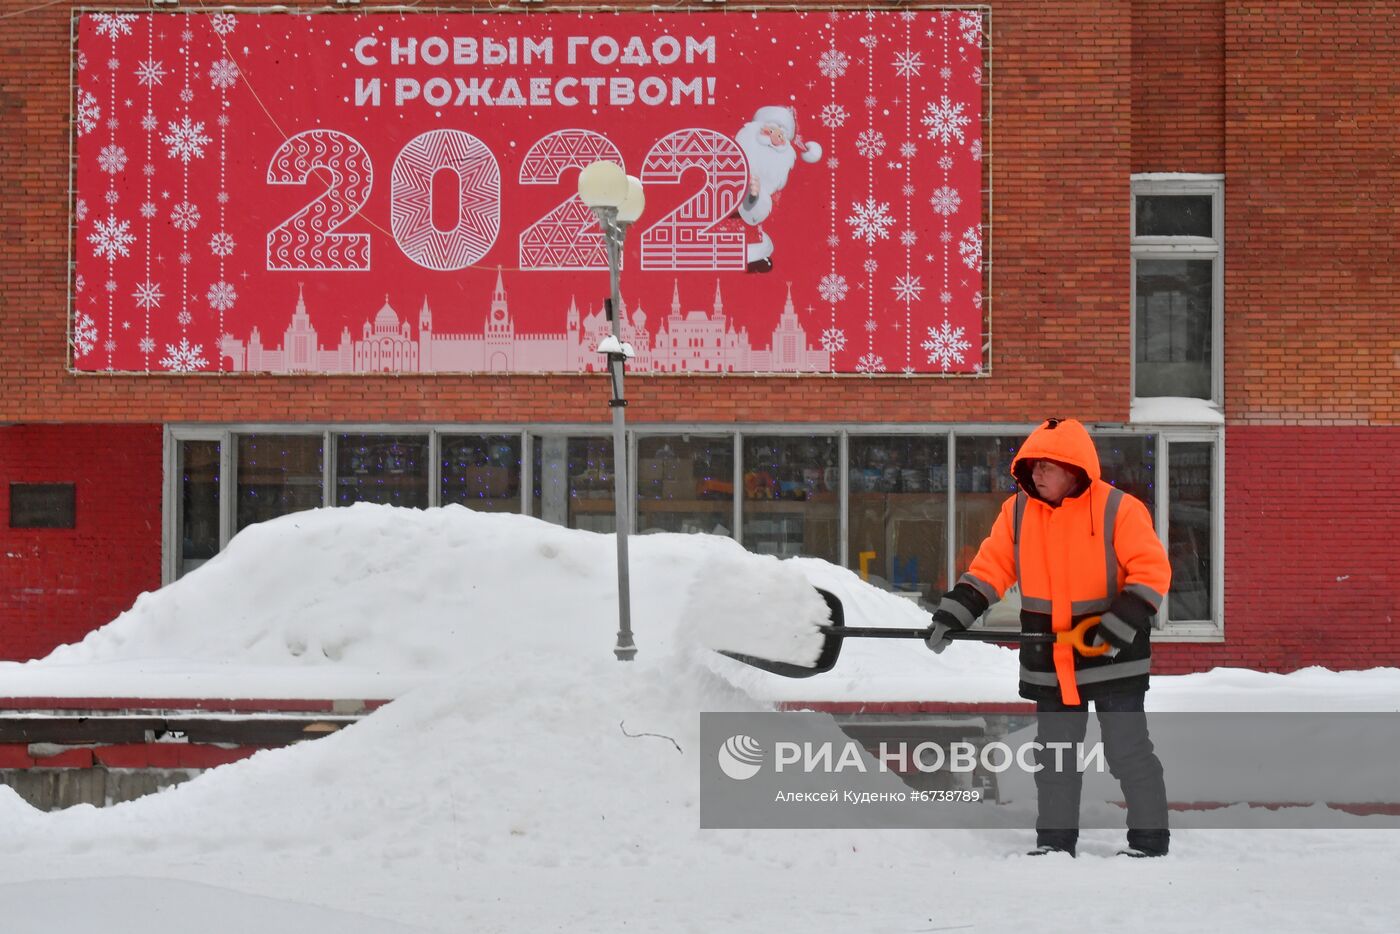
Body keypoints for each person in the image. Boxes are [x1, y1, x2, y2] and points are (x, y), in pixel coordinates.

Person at [926, 417, 1172, 858]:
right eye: (1032, 465)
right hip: (1053, 658)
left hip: (1112, 655)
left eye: (1047, 466)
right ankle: (1054, 843)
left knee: (1127, 751)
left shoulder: (1120, 509)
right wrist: (954, 611)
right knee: (1055, 756)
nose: (1036, 473)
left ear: (1075, 468)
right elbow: (991, 569)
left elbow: (1151, 573)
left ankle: (1149, 841)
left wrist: (1115, 626)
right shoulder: (1017, 512)